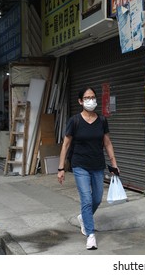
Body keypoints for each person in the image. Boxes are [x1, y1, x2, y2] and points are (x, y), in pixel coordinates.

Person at [57, 87, 119, 250]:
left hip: (97, 165)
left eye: (92, 97)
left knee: (97, 198)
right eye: (87, 98)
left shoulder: (102, 120)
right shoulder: (75, 121)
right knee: (86, 198)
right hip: (80, 165)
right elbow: (66, 145)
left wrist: (114, 164)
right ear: (80, 101)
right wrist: (61, 168)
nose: (90, 100)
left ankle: (83, 217)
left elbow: (107, 143)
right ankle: (90, 235)